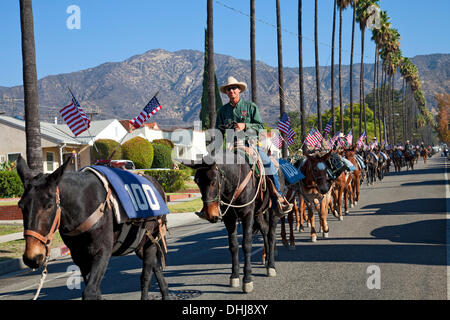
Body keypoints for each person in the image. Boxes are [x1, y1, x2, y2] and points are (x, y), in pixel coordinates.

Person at [215, 76, 293, 217]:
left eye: (233, 88)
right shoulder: (222, 111)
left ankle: (278, 198)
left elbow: (260, 127)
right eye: (228, 89)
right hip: (231, 148)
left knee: (268, 164)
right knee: (214, 171)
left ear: (239, 90)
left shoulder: (250, 107)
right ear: (226, 93)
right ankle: (216, 204)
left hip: (250, 146)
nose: (231, 90)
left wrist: (246, 126)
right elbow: (218, 132)